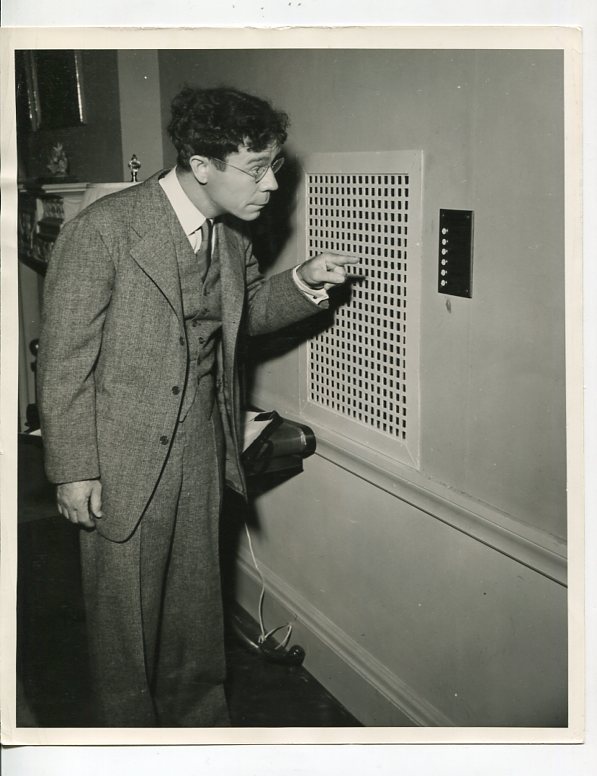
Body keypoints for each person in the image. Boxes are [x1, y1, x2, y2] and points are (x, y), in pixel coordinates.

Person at [37, 85, 357, 727]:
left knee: (193, 606)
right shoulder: (102, 230)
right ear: (203, 165)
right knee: (125, 622)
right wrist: (73, 470)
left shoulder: (230, 239)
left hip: (202, 449)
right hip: (119, 459)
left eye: (275, 166)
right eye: (256, 168)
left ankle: (199, 731)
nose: (272, 184)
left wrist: (302, 281)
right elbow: (65, 359)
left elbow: (240, 314)